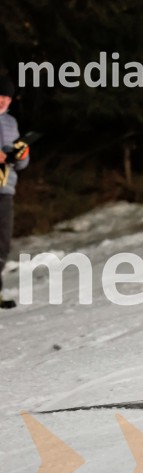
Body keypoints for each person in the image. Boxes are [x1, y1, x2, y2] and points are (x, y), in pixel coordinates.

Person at [0, 76, 30, 309]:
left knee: (3, 243)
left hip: (5, 188)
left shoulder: (11, 123)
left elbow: (22, 163)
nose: (3, 100)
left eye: (7, 97)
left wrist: (21, 154)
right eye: (0, 96)